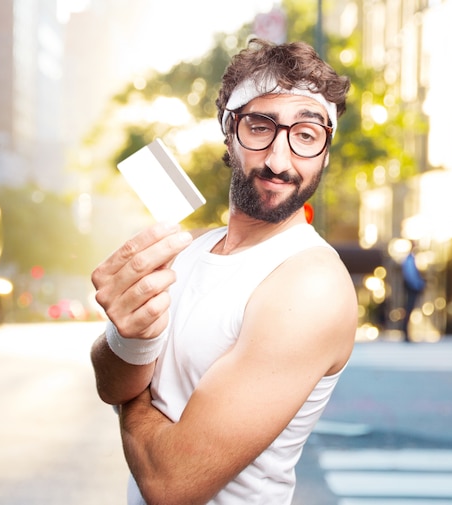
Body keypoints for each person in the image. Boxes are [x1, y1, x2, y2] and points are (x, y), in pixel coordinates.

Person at [90, 39, 357, 505]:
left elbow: (169, 483)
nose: (279, 160)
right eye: (260, 128)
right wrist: (126, 333)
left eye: (307, 135)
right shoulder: (189, 248)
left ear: (326, 151)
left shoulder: (310, 284)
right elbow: (108, 379)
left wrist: (134, 394)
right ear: (229, 132)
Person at [401, 245, 426, 342]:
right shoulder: (410, 260)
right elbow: (411, 275)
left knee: (409, 310)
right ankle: (405, 332)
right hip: (412, 288)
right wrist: (419, 285)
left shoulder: (410, 259)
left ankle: (406, 332)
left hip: (412, 287)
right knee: (408, 310)